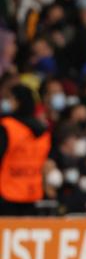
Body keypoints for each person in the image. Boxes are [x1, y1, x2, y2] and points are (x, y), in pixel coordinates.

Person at [0, 84, 51, 215]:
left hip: (7, 193)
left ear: (18, 102)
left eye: (10, 98)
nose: (6, 102)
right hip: (32, 191)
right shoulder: (43, 130)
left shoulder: (7, 127)